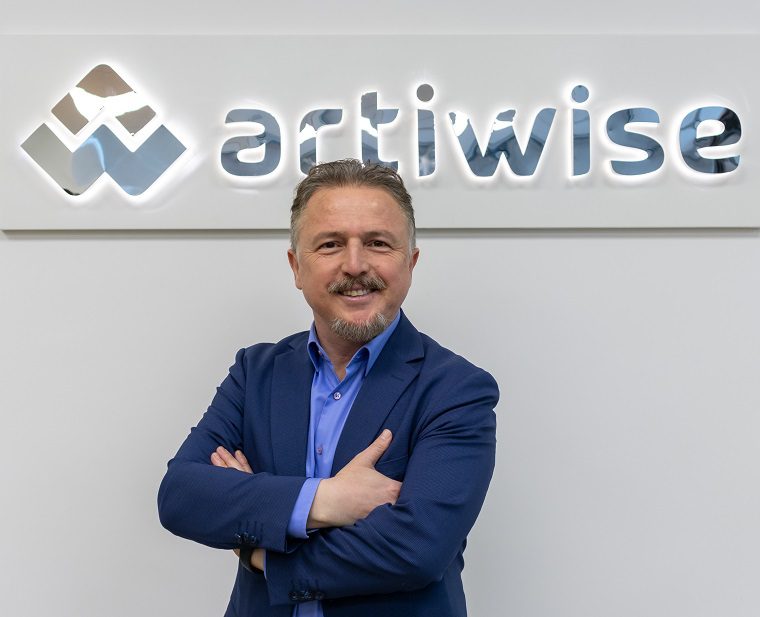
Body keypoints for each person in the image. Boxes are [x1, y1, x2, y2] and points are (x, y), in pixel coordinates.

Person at [158, 159, 499, 617]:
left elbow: (416, 549)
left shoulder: (456, 390)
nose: (355, 265)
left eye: (378, 243)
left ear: (411, 262)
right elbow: (181, 496)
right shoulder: (255, 373)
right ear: (296, 267)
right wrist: (327, 500)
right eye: (331, 244)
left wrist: (262, 553)